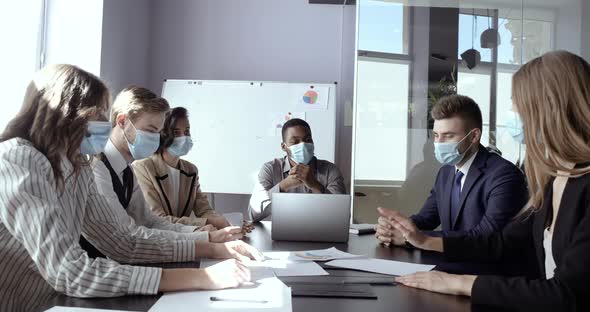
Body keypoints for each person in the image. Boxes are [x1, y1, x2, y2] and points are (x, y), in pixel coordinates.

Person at [0, 65, 258, 312]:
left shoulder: (78, 166)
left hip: (52, 302)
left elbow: (122, 240)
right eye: (98, 115)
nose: (105, 122)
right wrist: (201, 277)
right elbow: (71, 271)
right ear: (65, 114)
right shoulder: (19, 159)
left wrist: (211, 247)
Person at [387, 51, 590, 311]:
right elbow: (499, 242)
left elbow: (569, 294)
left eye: (517, 106)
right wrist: (417, 237)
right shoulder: (553, 179)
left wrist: (458, 284)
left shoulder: (518, 176)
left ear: (552, 109)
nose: (512, 116)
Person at [81, 86, 246, 260]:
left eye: (158, 132)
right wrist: (206, 239)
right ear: (122, 122)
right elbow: (126, 238)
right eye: (151, 131)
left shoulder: (126, 171)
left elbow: (151, 221)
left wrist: (202, 235)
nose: (156, 139)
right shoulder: (96, 166)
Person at [376, 95, 527, 245]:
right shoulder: (445, 173)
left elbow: (485, 236)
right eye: (436, 135)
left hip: (485, 267)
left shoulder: (504, 175)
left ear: (474, 136)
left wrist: (412, 238)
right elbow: (426, 218)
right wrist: (395, 227)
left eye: (448, 136)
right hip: (449, 262)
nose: (439, 143)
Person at [133, 107, 247, 231]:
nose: (184, 137)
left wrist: (229, 223)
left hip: (182, 237)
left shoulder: (191, 170)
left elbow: (204, 209)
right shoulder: (143, 168)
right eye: (176, 132)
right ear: (163, 134)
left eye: (187, 131)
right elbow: (157, 220)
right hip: (155, 240)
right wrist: (209, 222)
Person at [249, 118, 346, 222]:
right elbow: (253, 215)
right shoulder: (270, 169)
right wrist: (283, 186)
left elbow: (341, 215)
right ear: (283, 146)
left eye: (308, 140)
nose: (303, 145)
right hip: (282, 235)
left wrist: (315, 185)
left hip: (323, 234)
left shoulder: (330, 170)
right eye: (295, 141)